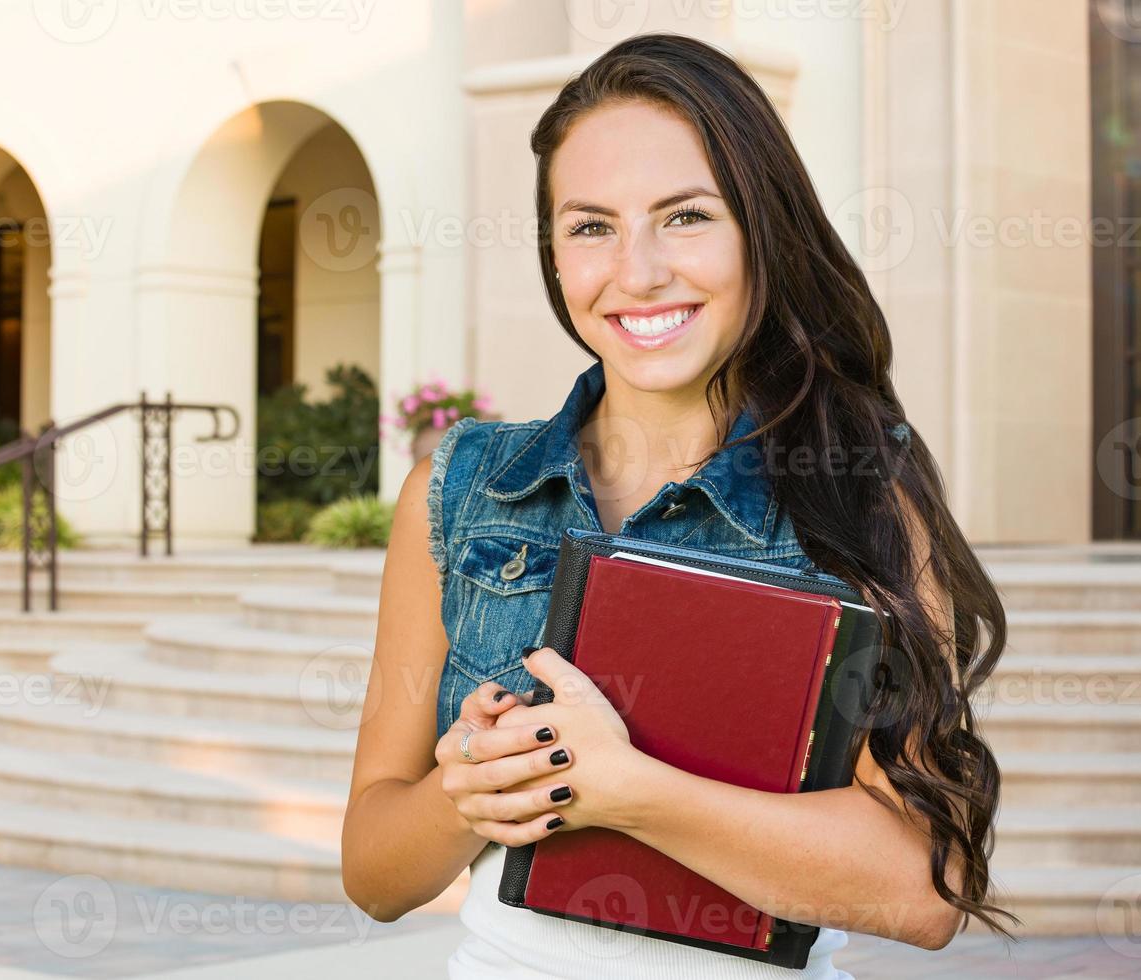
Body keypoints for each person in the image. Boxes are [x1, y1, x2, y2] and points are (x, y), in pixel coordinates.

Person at [341, 32, 1020, 978]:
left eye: (686, 216)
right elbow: (374, 876)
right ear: (553, 254)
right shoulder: (459, 490)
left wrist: (631, 791)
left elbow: (922, 890)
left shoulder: (857, 489)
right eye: (590, 226)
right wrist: (464, 795)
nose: (639, 270)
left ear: (761, 230)